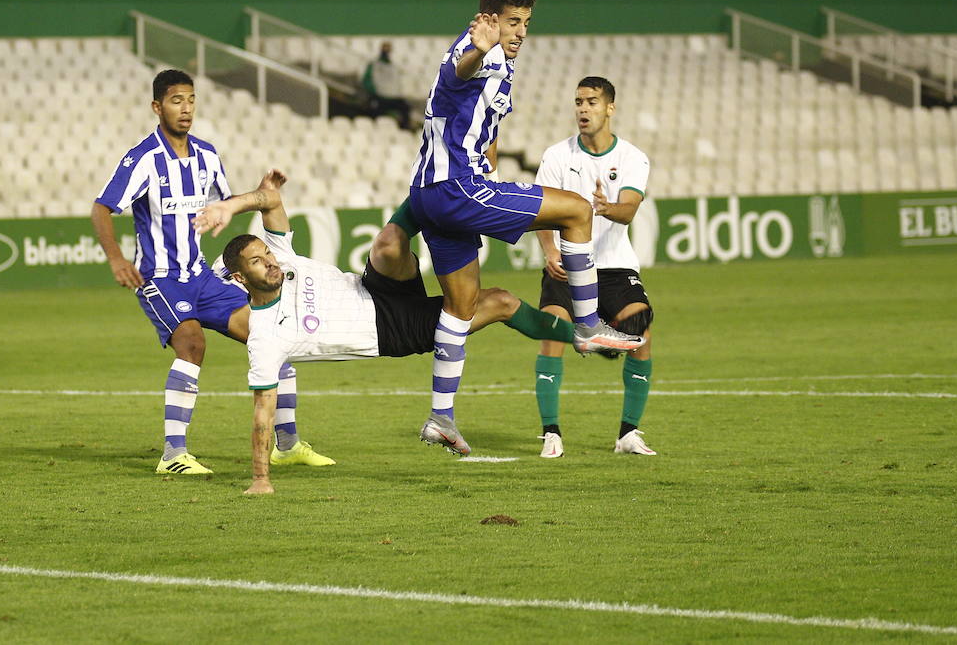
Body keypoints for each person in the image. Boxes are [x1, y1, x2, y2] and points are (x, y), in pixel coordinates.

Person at [198, 174, 641, 493]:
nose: (270, 262)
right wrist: (260, 479)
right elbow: (261, 411)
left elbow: (270, 200)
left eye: (265, 254)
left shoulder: (279, 252)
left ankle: (441, 195)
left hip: (375, 286)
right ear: (240, 279)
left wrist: (234, 205)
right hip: (391, 331)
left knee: (390, 243)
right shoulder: (264, 336)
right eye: (257, 262)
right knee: (501, 302)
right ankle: (581, 337)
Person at [403, 0, 642, 455]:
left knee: (461, 307)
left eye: (526, 23)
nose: (521, 32)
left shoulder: (501, 62)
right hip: (456, 190)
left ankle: (441, 417)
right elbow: (458, 72)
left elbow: (474, 120)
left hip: (431, 194)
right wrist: (479, 46)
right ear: (489, 18)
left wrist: (485, 148)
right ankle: (590, 324)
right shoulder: (475, 49)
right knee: (575, 210)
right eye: (513, 21)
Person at [92, 70, 334, 477]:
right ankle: (172, 454)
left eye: (190, 99)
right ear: (157, 107)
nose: (185, 108)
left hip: (202, 276)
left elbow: (226, 206)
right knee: (191, 343)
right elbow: (102, 208)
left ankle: (288, 445)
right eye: (175, 100)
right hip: (161, 278)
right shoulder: (144, 159)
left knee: (274, 335)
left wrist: (257, 194)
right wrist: (117, 259)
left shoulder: (206, 156)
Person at [531, 77, 658, 458]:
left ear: (610, 108)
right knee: (553, 329)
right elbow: (539, 211)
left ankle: (628, 434)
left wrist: (605, 208)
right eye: (578, 102)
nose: (583, 109)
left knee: (643, 332)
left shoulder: (633, 158)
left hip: (615, 267)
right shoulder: (557, 156)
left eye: (591, 102)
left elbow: (630, 210)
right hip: (568, 265)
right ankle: (551, 433)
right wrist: (550, 251)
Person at [362, 42, 410, 127]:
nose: (386, 51)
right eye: (385, 49)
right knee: (373, 110)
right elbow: (366, 81)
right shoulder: (374, 65)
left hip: (392, 97)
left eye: (388, 49)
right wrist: (374, 92)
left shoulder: (392, 66)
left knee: (406, 107)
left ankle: (404, 128)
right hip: (380, 97)